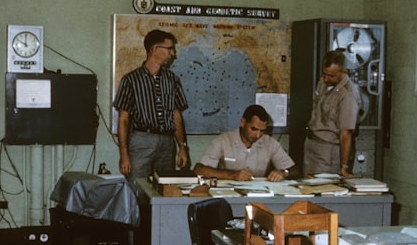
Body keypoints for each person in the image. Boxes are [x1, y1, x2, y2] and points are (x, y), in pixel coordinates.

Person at [114, 29, 189, 180]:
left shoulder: (172, 79)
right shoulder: (131, 80)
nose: (172, 53)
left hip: (167, 143)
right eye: (169, 49)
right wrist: (124, 154)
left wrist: (182, 146)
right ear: (154, 49)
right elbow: (123, 120)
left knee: (165, 189)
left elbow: (176, 115)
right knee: (138, 189)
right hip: (141, 140)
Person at [194, 104, 297, 183]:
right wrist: (232, 175)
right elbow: (199, 169)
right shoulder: (223, 141)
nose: (258, 135)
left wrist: (284, 173)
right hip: (228, 195)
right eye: (254, 129)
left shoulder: (270, 143)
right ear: (243, 122)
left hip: (258, 195)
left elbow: (295, 170)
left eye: (262, 131)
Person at [304, 49, 361, 177]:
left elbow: (346, 135)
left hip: (328, 151)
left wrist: (344, 167)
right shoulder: (323, 82)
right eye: (324, 74)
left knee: (321, 191)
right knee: (307, 191)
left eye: (331, 76)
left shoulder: (347, 95)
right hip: (312, 145)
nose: (326, 79)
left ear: (343, 72)